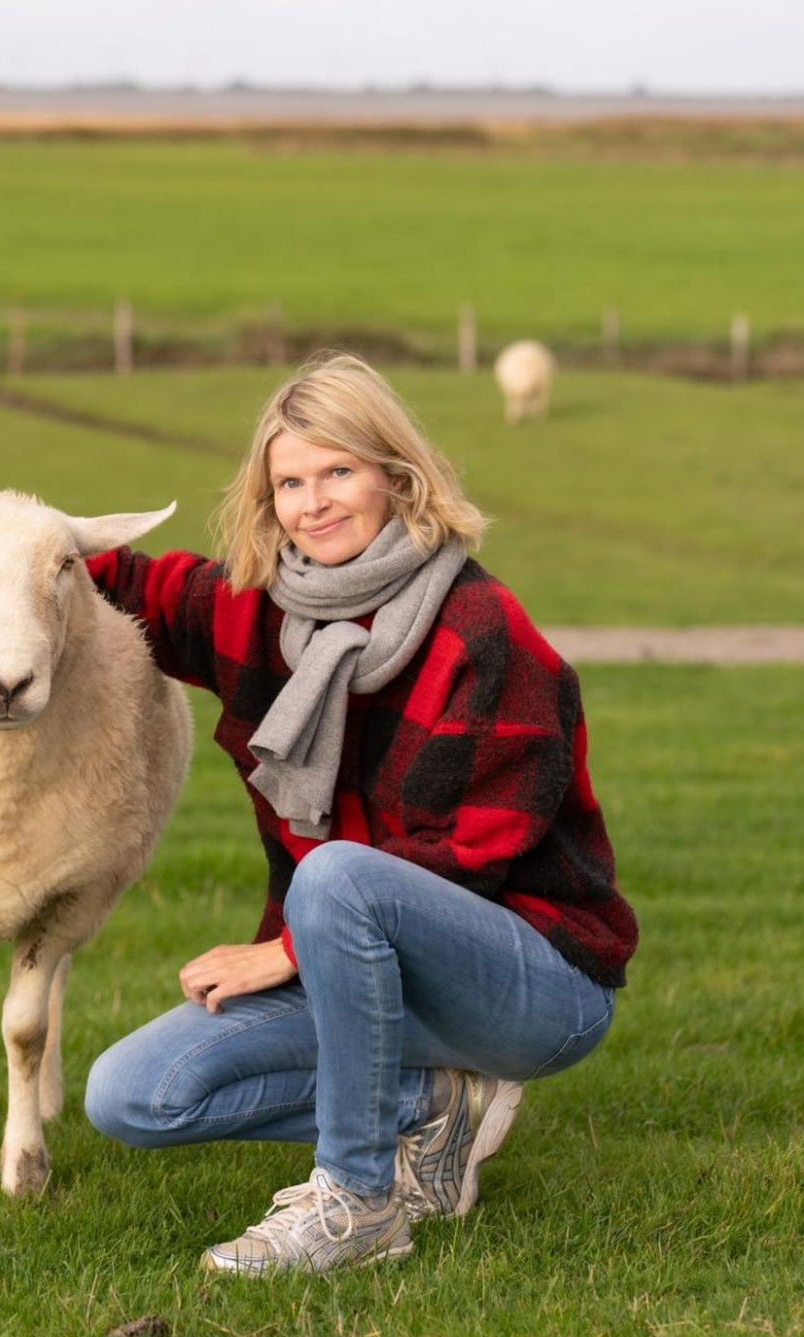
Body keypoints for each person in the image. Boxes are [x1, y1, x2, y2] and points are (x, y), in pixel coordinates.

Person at [83, 353, 638, 1276]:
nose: (315, 502)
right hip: (356, 961)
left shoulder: (484, 631)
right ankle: (430, 1104)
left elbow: (471, 855)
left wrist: (284, 955)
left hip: (532, 980)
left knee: (335, 871)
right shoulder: (256, 608)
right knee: (132, 1096)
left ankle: (357, 1202)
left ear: (395, 472)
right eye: (290, 483)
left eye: (339, 471)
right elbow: (125, 582)